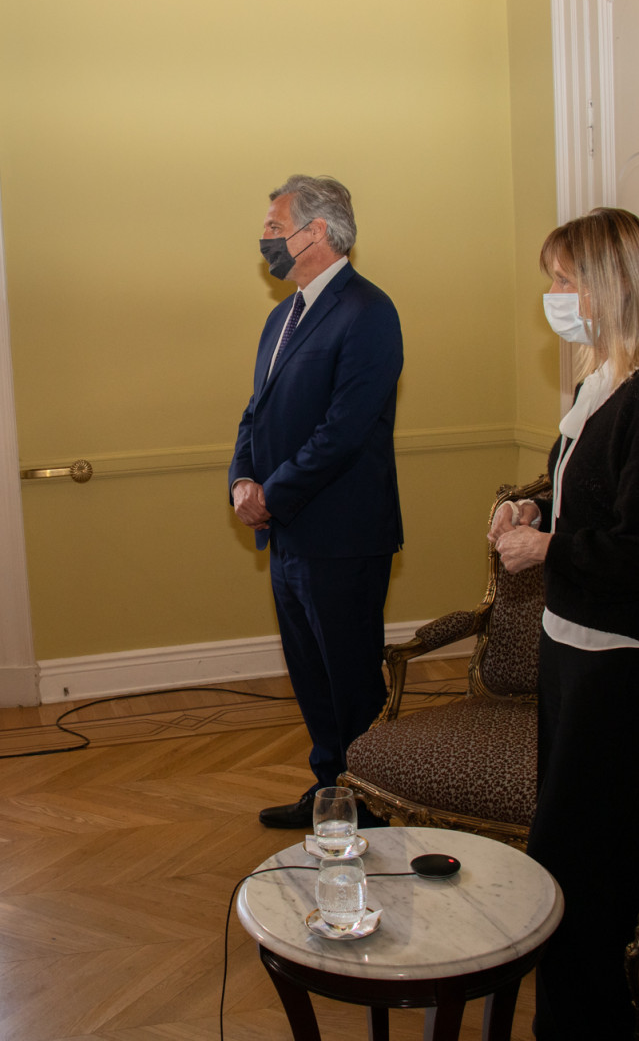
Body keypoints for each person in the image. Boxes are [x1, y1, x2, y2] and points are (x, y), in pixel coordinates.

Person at [489, 207, 639, 1039]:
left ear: (609, 284)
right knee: (579, 830)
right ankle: (577, 997)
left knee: (580, 842)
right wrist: (530, 504)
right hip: (569, 640)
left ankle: (589, 1013)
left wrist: (550, 546)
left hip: (619, 652)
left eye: (564, 278)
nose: (553, 293)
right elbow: (588, 492)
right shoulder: (598, 379)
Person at [228, 174, 404, 830]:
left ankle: (374, 802)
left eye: (275, 228)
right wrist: (243, 482)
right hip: (289, 534)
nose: (266, 240)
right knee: (310, 676)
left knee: (351, 680)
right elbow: (256, 415)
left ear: (317, 233)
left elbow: (344, 431)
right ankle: (332, 794)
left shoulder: (368, 311)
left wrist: (272, 494)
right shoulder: (284, 315)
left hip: (344, 536)